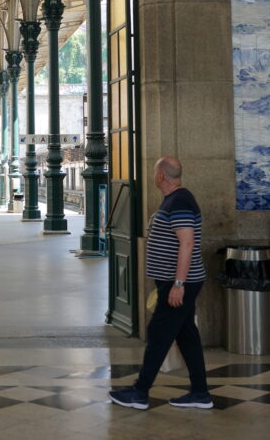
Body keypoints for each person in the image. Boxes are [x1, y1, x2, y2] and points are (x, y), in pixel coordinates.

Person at [109, 156, 212, 410]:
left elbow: (187, 243)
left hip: (180, 284)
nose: (154, 176)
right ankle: (200, 393)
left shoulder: (181, 201)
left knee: (158, 334)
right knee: (187, 336)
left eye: (155, 172)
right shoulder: (174, 200)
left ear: (161, 176)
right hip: (174, 282)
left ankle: (140, 392)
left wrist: (178, 283)